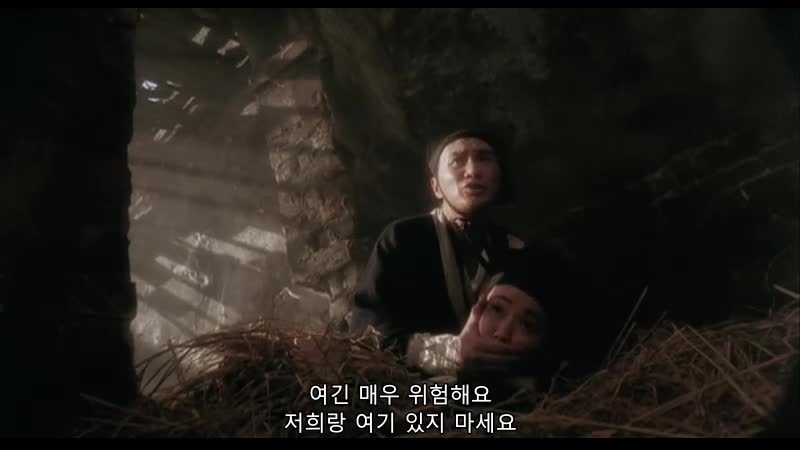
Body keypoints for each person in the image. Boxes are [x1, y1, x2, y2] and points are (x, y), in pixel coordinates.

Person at [352, 128, 567, 377]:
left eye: (484, 159)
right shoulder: (403, 239)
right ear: (436, 187)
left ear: (500, 179)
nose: (473, 171)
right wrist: (451, 352)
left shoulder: (517, 251)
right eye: (457, 161)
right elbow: (367, 328)